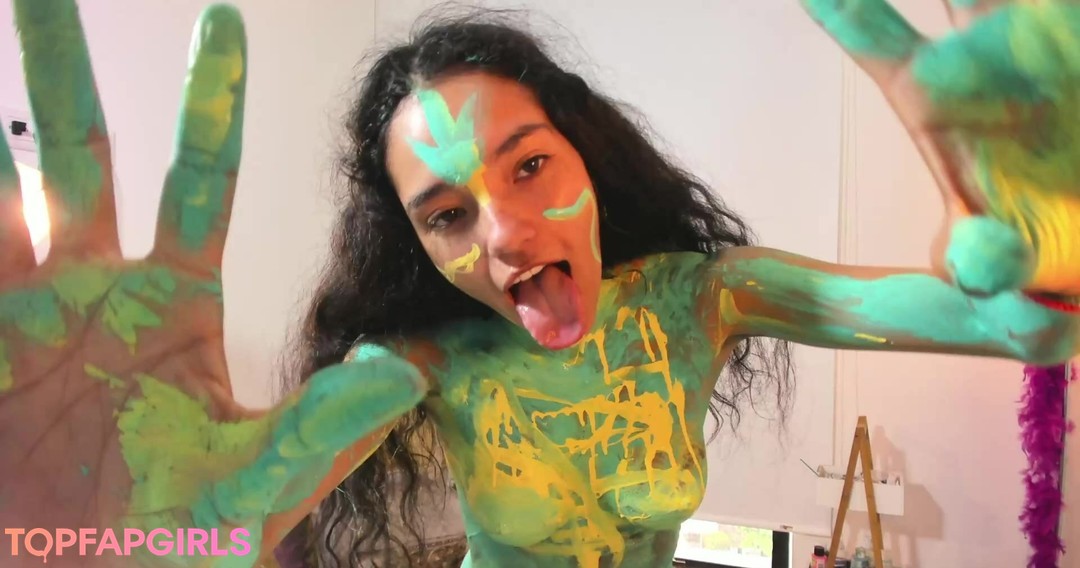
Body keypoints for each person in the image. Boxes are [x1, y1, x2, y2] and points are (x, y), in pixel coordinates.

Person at [1, 0, 1077, 567]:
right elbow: (220, 525)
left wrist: (1056, 250)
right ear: (420, 245)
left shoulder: (705, 300)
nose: (507, 233)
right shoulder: (423, 365)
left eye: (529, 166)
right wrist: (112, 544)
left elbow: (1026, 332)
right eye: (449, 214)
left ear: (586, 157)